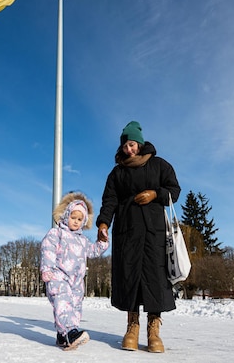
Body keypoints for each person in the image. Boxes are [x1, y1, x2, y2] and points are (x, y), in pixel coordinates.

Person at [96, 121, 180, 353]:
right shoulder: (117, 173)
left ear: (140, 144)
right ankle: (132, 327)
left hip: (154, 232)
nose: (128, 150)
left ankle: (154, 331)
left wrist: (155, 194)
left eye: (132, 145)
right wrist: (103, 222)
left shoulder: (159, 165)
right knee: (129, 276)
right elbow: (109, 200)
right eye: (125, 146)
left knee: (155, 278)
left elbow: (174, 190)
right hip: (126, 231)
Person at [40, 192, 109, 350]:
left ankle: (63, 335)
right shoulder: (56, 233)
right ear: (65, 216)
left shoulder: (83, 240)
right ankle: (70, 332)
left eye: (80, 219)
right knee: (62, 303)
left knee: (75, 307)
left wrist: (102, 243)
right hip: (58, 277)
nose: (76, 222)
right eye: (73, 217)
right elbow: (47, 250)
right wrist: (47, 269)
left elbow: (92, 251)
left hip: (76, 281)